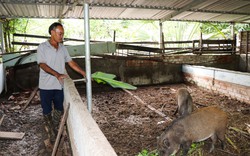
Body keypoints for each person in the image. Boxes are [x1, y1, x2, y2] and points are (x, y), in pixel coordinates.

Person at [37, 22, 86, 144]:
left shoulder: (63, 48)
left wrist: (84, 73)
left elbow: (71, 63)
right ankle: (52, 135)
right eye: (60, 33)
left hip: (59, 85)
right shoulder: (42, 47)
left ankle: (52, 129)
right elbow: (42, 64)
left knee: (59, 108)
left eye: (63, 34)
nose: (61, 36)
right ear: (52, 32)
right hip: (46, 86)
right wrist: (57, 74)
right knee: (47, 110)